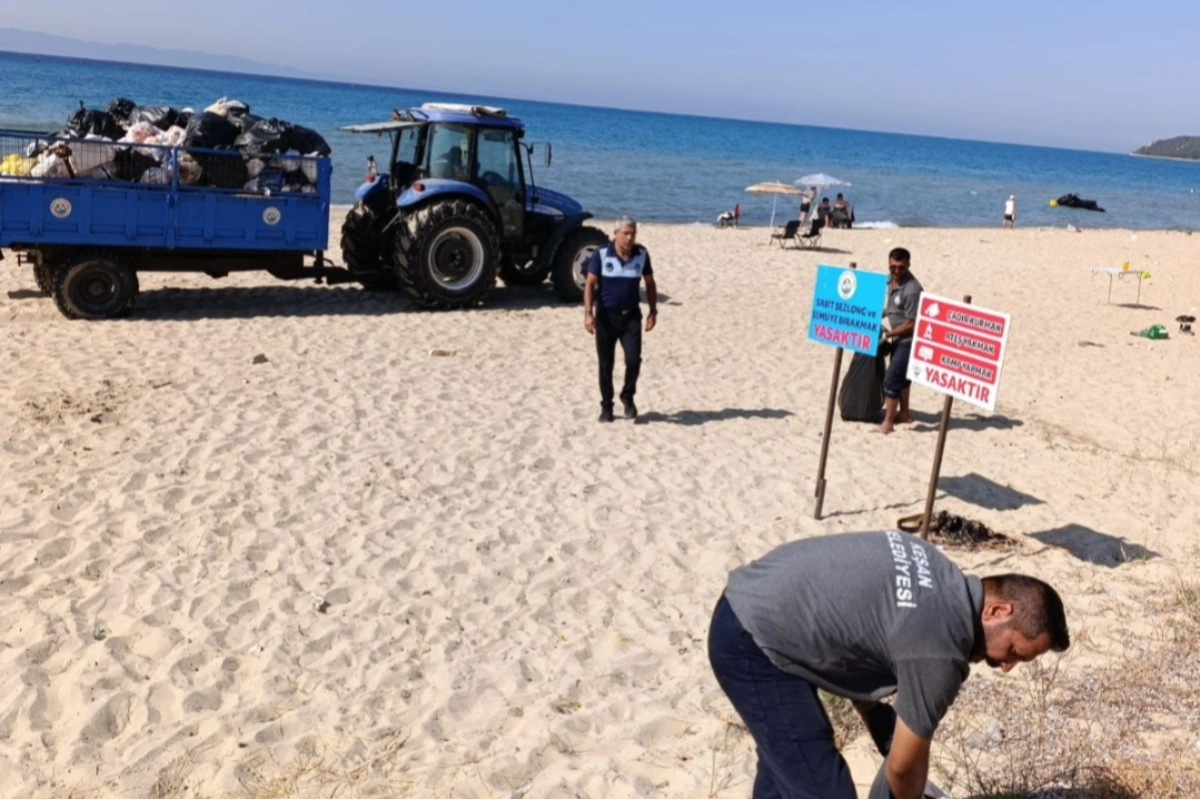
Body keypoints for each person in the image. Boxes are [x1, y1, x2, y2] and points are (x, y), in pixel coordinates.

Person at [708, 530, 1069, 800]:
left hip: (755, 604)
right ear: (997, 611)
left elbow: (854, 650)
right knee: (826, 791)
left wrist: (888, 735)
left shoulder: (937, 571)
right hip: (752, 640)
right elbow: (902, 768)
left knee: (791, 768)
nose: (1006, 666)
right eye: (1015, 651)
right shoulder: (941, 649)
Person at [583, 216, 657, 422]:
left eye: (633, 233)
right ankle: (607, 406)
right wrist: (588, 313)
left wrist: (653, 311)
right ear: (615, 234)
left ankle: (627, 396)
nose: (630, 237)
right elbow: (589, 284)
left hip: (631, 317)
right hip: (606, 317)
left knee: (633, 360)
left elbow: (650, 283)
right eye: (625, 233)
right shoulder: (601, 254)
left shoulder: (641, 254)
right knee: (606, 363)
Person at [877, 247, 922, 434]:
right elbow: (893, 307)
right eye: (893, 267)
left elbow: (911, 323)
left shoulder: (912, 290)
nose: (896, 271)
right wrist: (877, 314)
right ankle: (904, 414)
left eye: (901, 267)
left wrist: (888, 335)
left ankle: (887, 423)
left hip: (909, 339)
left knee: (891, 379)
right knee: (903, 378)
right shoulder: (890, 281)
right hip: (898, 337)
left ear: (908, 265)